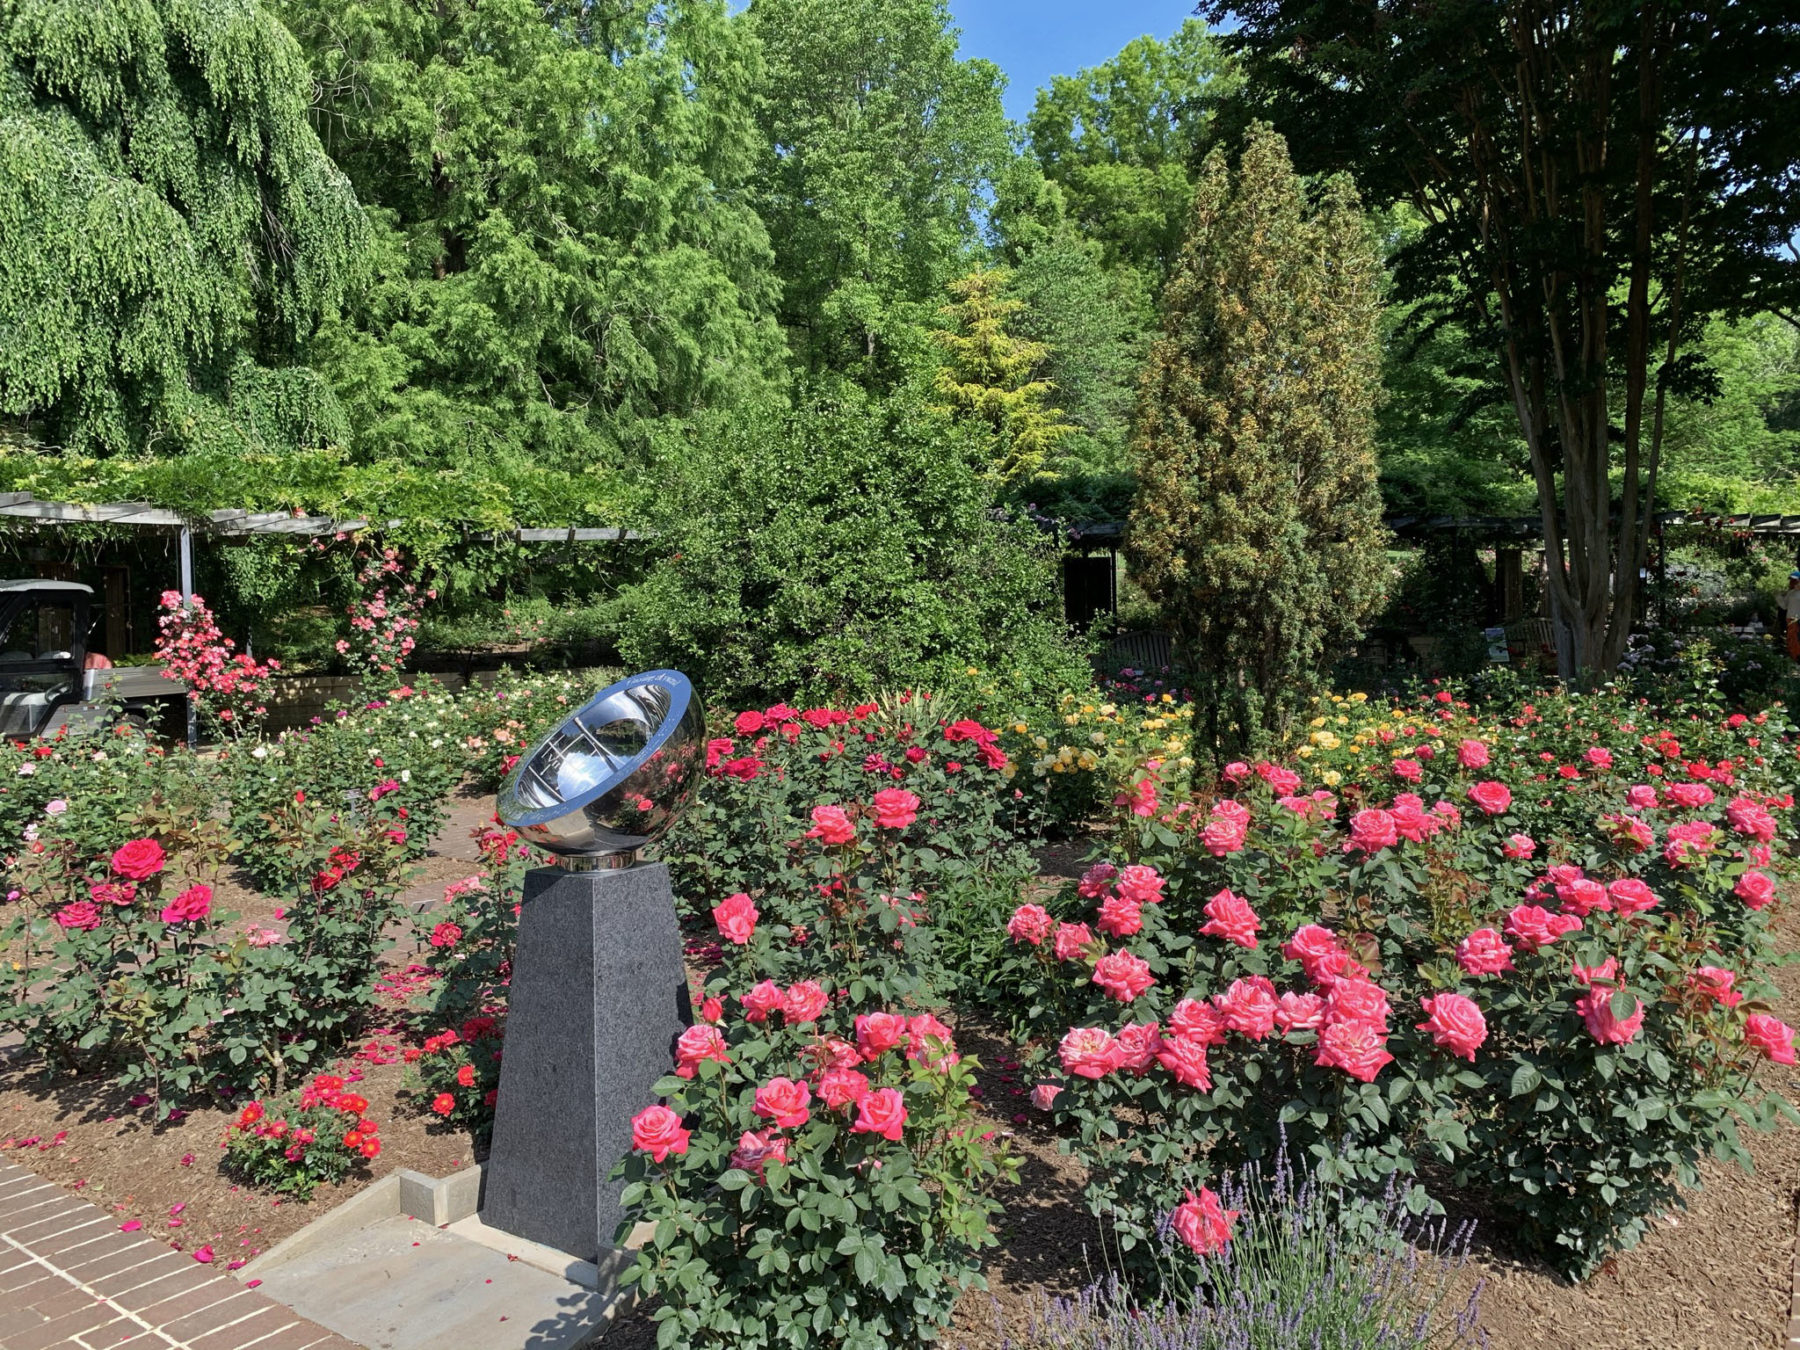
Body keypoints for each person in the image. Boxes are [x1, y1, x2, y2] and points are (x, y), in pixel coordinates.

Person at [1785, 571, 1800, 660]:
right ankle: (1794, 657)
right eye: (1791, 580)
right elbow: (1784, 605)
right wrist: (1778, 597)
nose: (1792, 582)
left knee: (1796, 638)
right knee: (1791, 639)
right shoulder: (1790, 593)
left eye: (1794, 580)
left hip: (1797, 618)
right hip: (1790, 618)